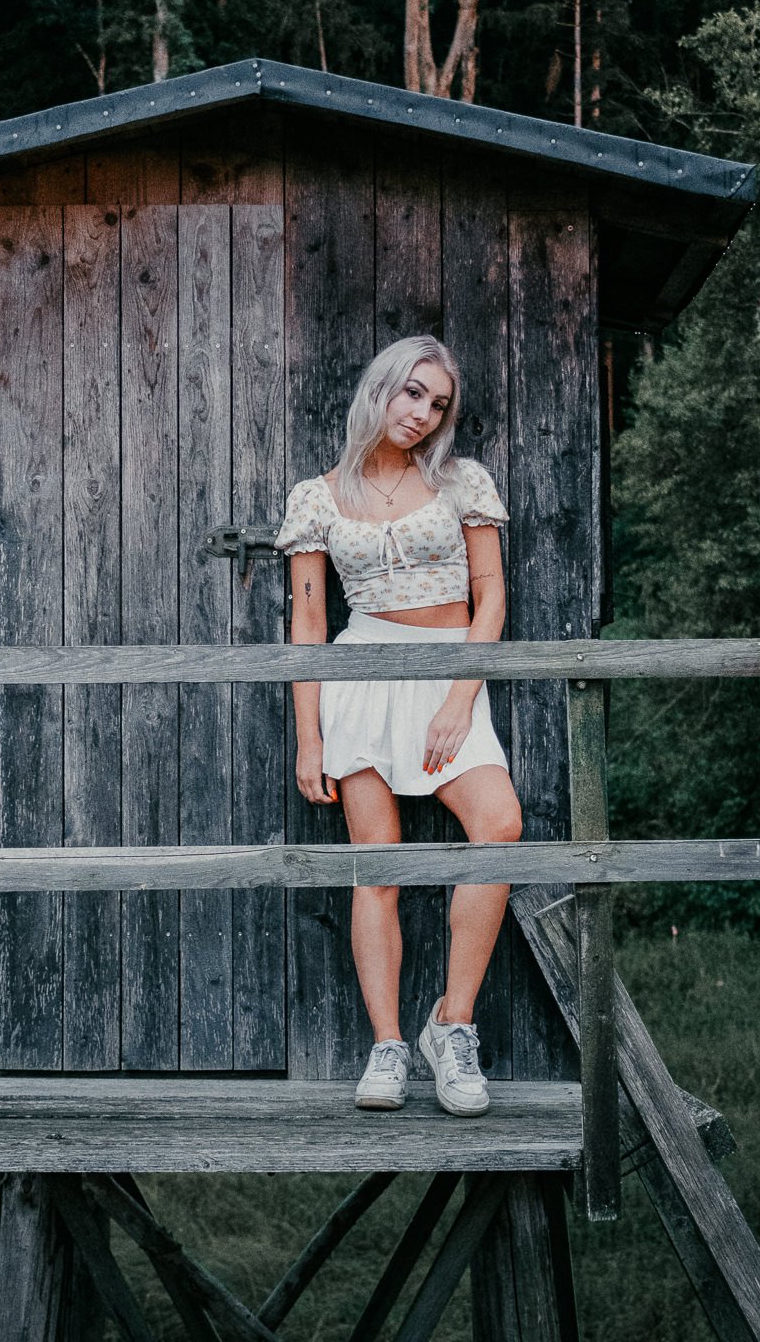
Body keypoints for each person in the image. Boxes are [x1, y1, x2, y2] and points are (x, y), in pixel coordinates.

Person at [275, 334, 522, 1117]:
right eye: (412, 392)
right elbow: (308, 620)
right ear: (380, 388)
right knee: (375, 866)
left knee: (499, 827)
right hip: (359, 673)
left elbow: (490, 597)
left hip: (447, 673)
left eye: (438, 403)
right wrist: (309, 736)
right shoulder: (315, 496)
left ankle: (451, 1027)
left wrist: (459, 697)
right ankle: (386, 1046)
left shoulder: (461, 483)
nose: (422, 413)